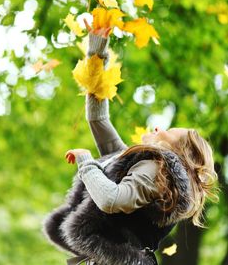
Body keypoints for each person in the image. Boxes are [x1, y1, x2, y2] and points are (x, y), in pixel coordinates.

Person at [42, 27, 219, 265]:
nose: (158, 128)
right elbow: (98, 118)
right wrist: (97, 49)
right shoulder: (135, 162)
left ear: (178, 153)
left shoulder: (158, 170)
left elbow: (111, 200)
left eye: (169, 132)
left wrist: (86, 162)